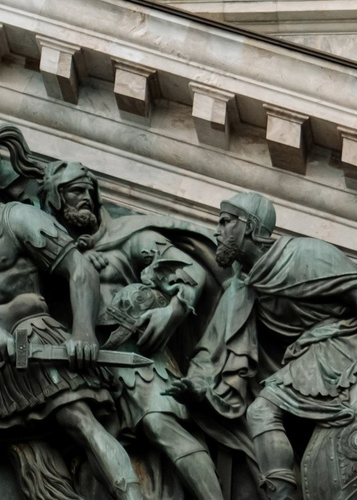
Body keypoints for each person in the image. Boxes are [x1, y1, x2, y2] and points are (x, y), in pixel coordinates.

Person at [0, 137, 146, 500]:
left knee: (78, 418)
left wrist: (83, 333)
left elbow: (80, 270)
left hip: (32, 334)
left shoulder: (16, 217)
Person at [188, 193, 357, 500]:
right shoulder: (242, 289)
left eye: (225, 222)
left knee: (262, 411)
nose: (217, 231)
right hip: (308, 356)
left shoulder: (306, 254)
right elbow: (213, 347)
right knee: (262, 412)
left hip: (344, 346)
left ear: (250, 227)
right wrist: (198, 383)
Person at [43, 162, 224, 500]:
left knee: (160, 424)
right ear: (55, 198)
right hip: (86, 371)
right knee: (94, 463)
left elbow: (190, 271)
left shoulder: (128, 236)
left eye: (90, 191)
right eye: (75, 191)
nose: (86, 198)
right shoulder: (47, 253)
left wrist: (172, 312)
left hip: (138, 357)